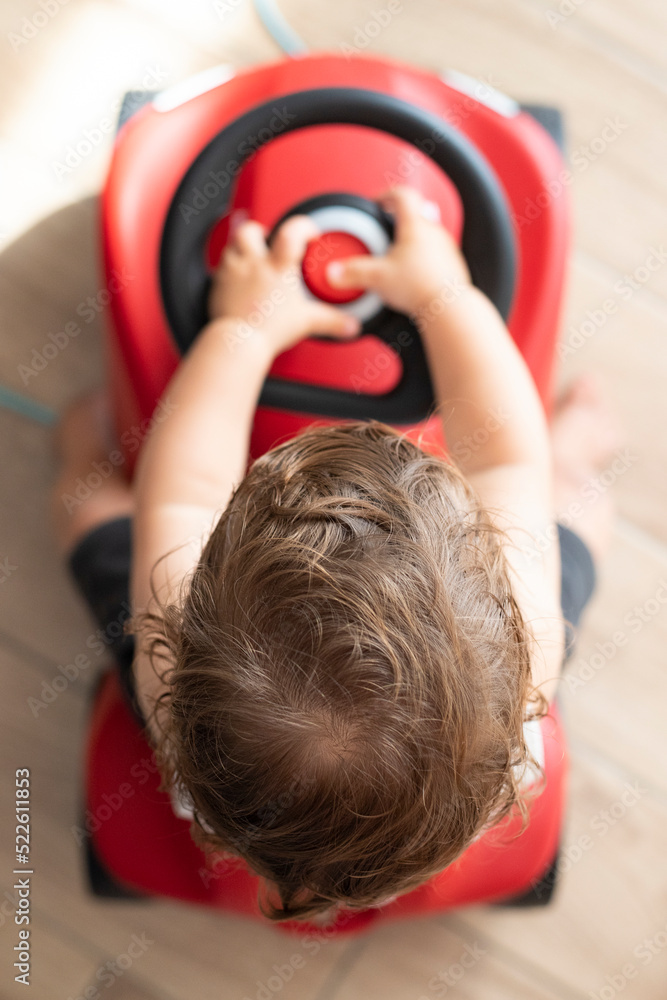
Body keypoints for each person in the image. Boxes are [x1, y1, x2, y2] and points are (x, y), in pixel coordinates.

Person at [52, 185, 621, 924]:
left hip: (232, 791)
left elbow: (183, 495)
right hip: (435, 810)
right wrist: (443, 297)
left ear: (200, 603)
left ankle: (80, 452)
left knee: (90, 507)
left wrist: (245, 329)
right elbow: (508, 460)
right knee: (571, 497)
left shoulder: (173, 667)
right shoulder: (526, 649)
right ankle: (578, 450)